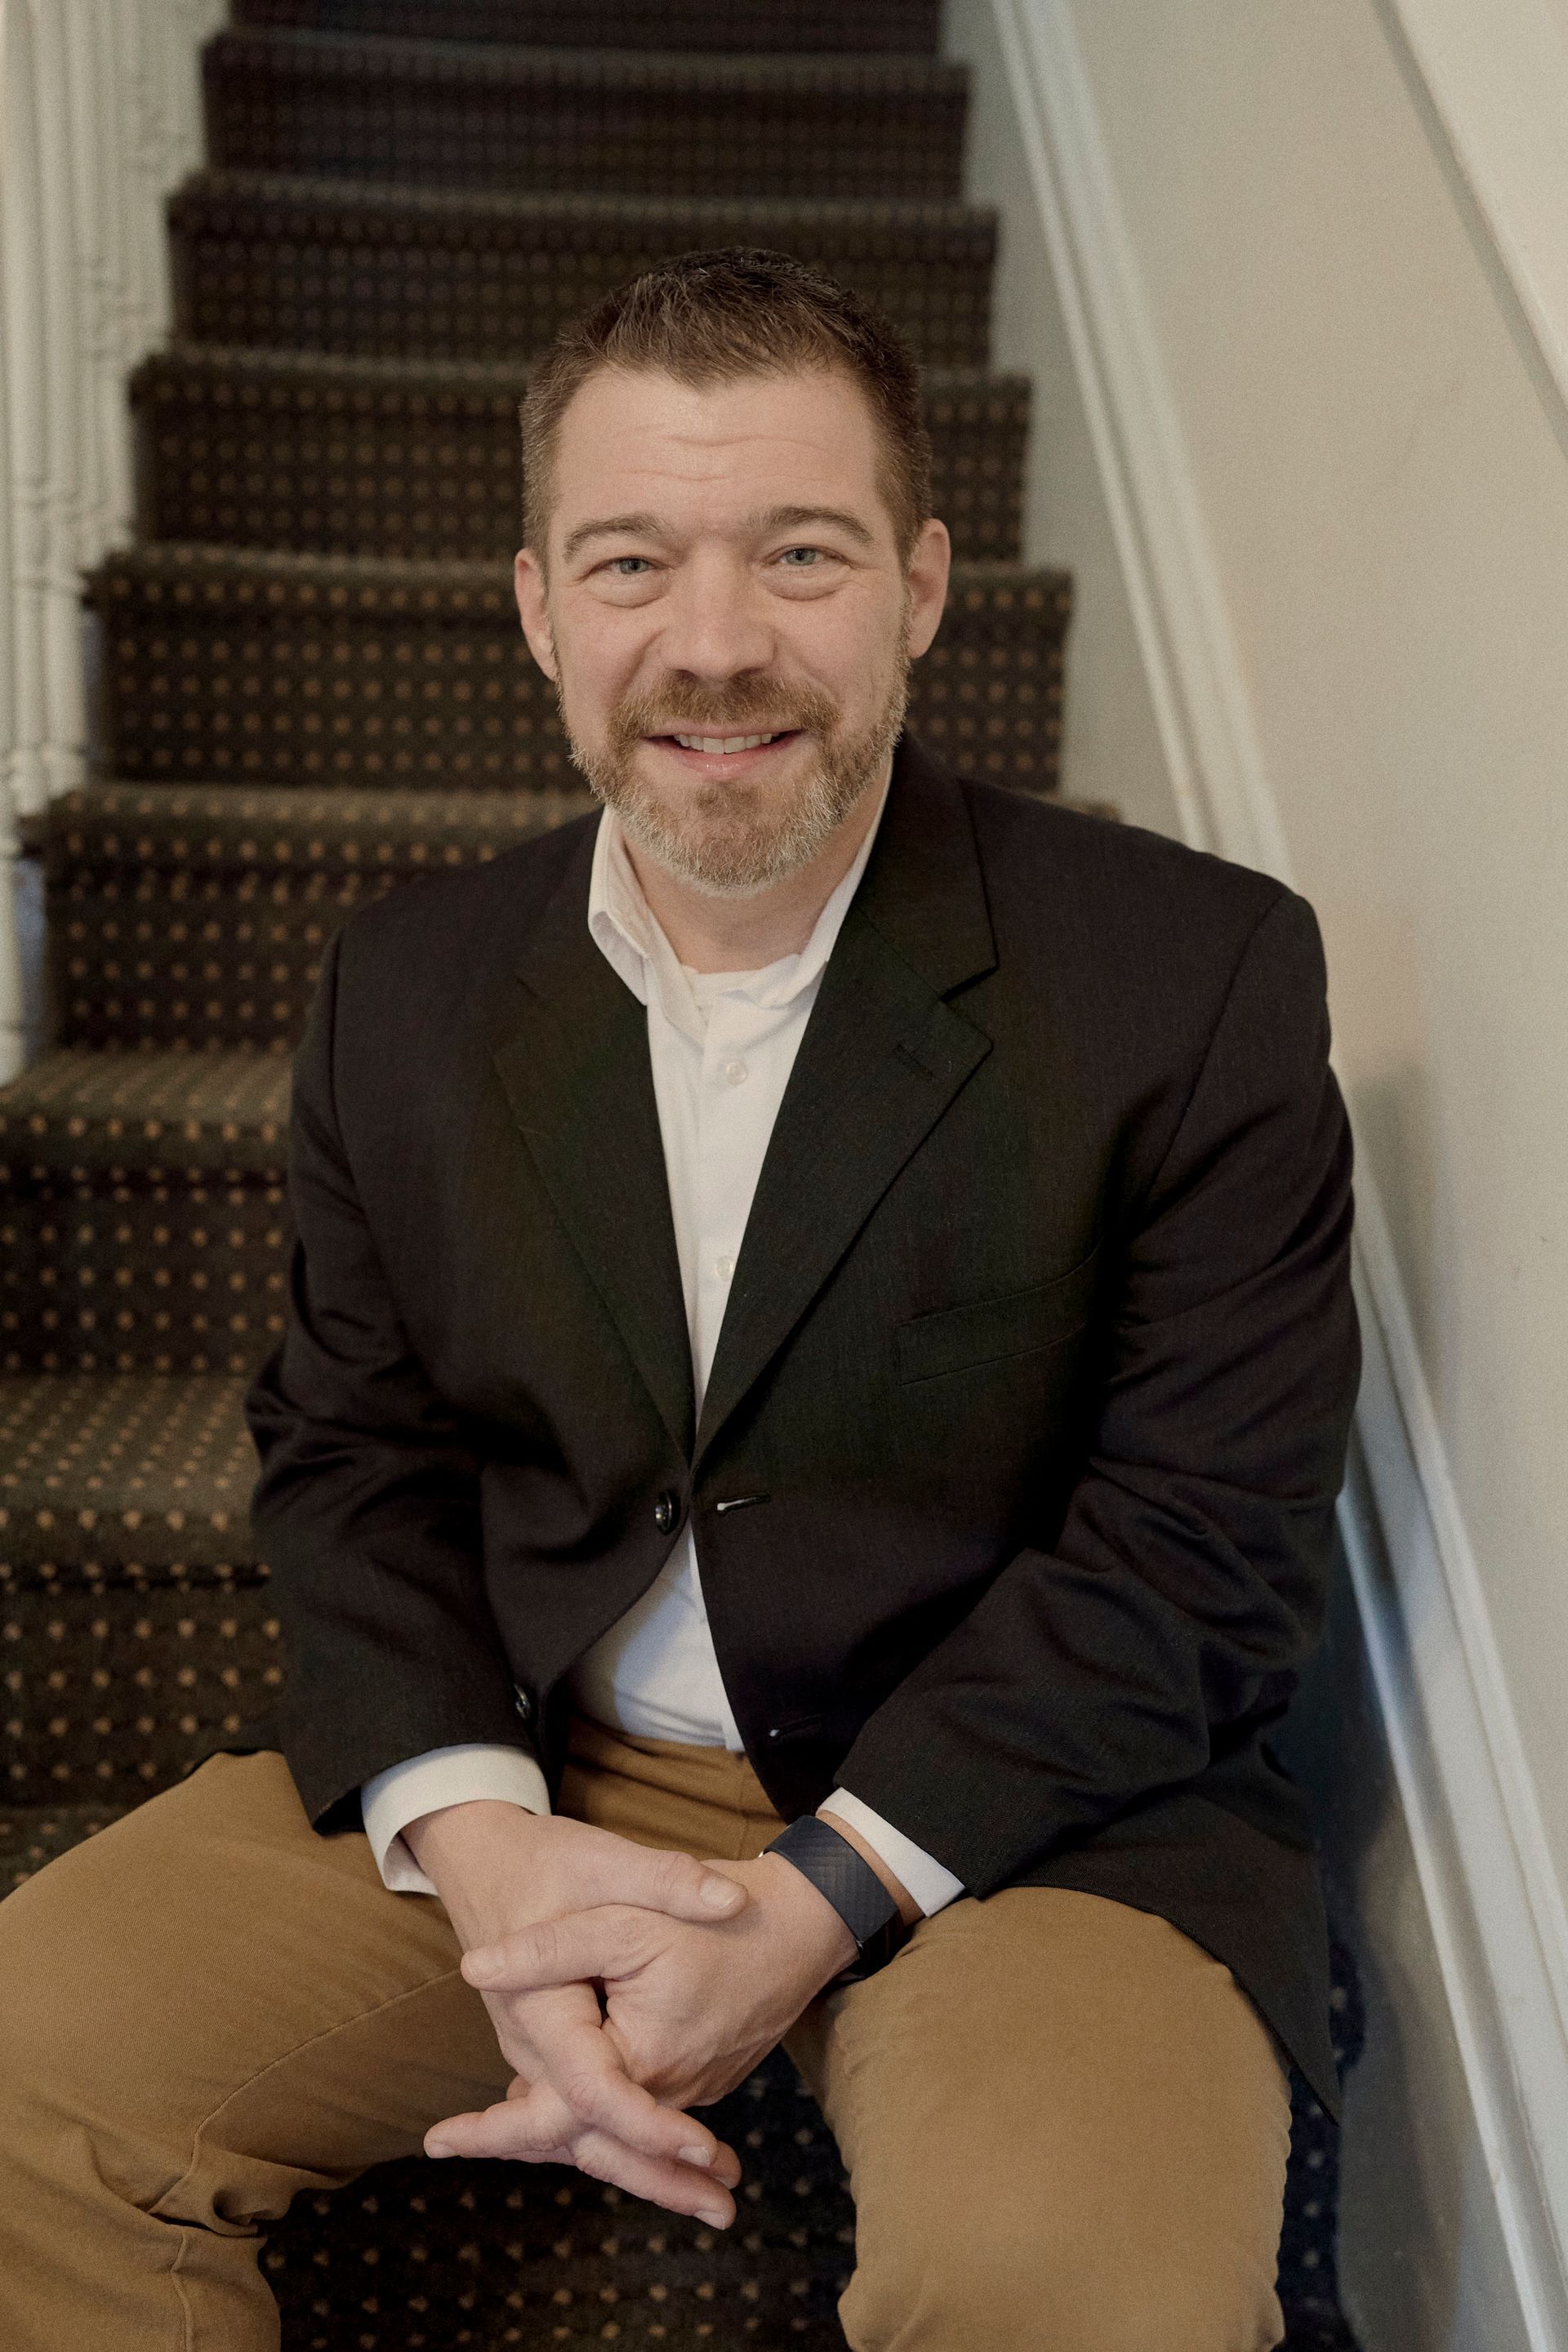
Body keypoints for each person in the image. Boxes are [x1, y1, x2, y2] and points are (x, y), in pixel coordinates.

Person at [0, 248, 1359, 2351]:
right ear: (540, 605)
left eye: (797, 554)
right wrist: (487, 1850)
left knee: (1073, 2292)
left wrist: (819, 1900)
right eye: (631, 562)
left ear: (919, 585)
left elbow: (1206, 1547)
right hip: (548, 1749)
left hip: (1021, 1807)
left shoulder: (1192, 977)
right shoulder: (408, 987)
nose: (712, 648)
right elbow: (351, 1458)